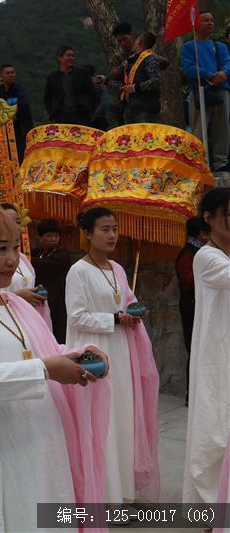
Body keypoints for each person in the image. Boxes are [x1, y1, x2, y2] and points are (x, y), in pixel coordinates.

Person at [0, 203, 110, 531]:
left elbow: (42, 349)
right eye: (1, 249)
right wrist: (45, 370)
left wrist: (78, 354)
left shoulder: (14, 303)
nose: (13, 259)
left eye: (15, 247)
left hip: (43, 437)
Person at [66, 207, 160, 503]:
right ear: (88, 233)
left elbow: (127, 300)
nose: (112, 235)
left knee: (123, 418)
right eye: (105, 229)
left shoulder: (118, 269)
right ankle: (103, 496)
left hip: (122, 352)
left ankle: (124, 494)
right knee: (102, 423)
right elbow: (77, 316)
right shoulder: (78, 271)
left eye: (115, 228)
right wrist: (115, 319)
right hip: (95, 352)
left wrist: (134, 310)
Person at [183, 187, 230, 505]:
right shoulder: (206, 256)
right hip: (217, 353)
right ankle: (212, 501)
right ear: (209, 219)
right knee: (216, 424)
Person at [181, 11, 230, 173]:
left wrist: (223, 73)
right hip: (199, 91)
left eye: (211, 20)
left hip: (221, 90)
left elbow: (227, 63)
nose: (210, 23)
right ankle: (199, 161)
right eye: (205, 20)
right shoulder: (188, 47)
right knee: (199, 128)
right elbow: (188, 68)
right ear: (195, 24)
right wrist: (208, 75)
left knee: (222, 127)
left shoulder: (220, 46)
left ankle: (220, 162)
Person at [1, 204, 52, 329]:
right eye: (8, 222)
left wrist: (35, 292)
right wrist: (17, 296)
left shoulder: (23, 258)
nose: (15, 226)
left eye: (18, 222)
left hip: (28, 320)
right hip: (5, 321)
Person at [175, 217, 207, 404]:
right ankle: (192, 394)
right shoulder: (188, 254)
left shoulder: (199, 252)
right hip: (191, 309)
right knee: (194, 350)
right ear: (202, 233)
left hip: (196, 307)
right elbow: (189, 281)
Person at [31, 218, 72, 343]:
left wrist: (26, 257)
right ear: (40, 237)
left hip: (58, 302)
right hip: (39, 300)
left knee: (58, 336)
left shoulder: (62, 255)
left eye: (56, 236)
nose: (54, 239)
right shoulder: (36, 253)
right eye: (49, 236)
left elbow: (44, 264)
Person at [113, 32, 161, 124]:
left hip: (145, 109)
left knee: (144, 137)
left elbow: (155, 81)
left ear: (140, 42)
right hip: (131, 107)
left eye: (136, 41)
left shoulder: (150, 59)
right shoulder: (133, 60)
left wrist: (135, 88)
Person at [44, 45, 96, 126]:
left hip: (81, 115)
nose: (71, 58)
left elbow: (92, 93)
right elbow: (47, 97)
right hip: (61, 116)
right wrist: (52, 111)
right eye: (68, 55)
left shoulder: (81, 73)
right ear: (60, 58)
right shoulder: (52, 77)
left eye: (72, 56)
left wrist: (91, 109)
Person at [0, 64, 34, 162]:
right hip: (5, 132)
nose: (11, 75)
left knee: (22, 157)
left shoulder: (20, 89)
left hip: (21, 130)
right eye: (8, 73)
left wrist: (13, 115)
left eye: (12, 72)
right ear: (2, 76)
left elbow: (24, 104)